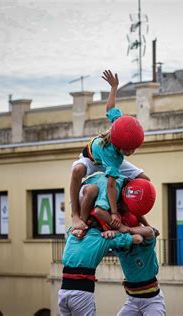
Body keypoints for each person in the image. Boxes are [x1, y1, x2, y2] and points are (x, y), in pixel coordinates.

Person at [70, 69, 149, 231]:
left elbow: (110, 108)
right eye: (129, 150)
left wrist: (114, 87)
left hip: (112, 157)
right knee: (77, 170)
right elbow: (111, 186)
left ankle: (127, 209)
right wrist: (113, 213)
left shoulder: (120, 126)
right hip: (93, 160)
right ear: (120, 147)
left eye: (134, 149)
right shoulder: (114, 157)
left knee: (144, 179)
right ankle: (76, 215)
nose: (132, 152)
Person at [58, 227, 144, 316]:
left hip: (63, 292)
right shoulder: (104, 238)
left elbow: (73, 226)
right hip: (82, 293)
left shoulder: (73, 233)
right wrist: (117, 231)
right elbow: (138, 239)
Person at [74, 172, 155, 237]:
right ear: (124, 199)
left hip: (99, 201)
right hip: (84, 197)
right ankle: (82, 224)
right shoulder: (112, 191)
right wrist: (121, 227)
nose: (128, 211)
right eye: (128, 208)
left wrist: (147, 225)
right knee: (92, 190)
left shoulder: (128, 189)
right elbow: (99, 211)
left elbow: (135, 209)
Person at [111, 222, 166, 315]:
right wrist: (116, 231)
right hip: (132, 301)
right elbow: (111, 239)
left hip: (152, 301)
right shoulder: (122, 250)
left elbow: (149, 231)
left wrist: (126, 228)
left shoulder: (146, 246)